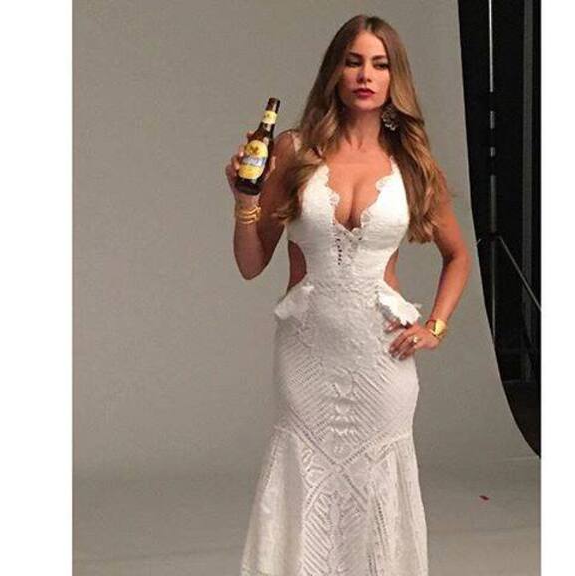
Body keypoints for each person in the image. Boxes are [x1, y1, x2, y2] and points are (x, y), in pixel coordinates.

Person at [225, 14, 470, 576]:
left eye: (379, 64)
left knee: (377, 488)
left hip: (382, 362)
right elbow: (251, 263)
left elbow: (458, 255)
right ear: (335, 71)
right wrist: (243, 201)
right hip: (307, 357)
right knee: (301, 477)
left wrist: (434, 326)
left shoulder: (411, 163)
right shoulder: (295, 150)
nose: (365, 74)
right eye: (353, 61)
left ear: (393, 78)